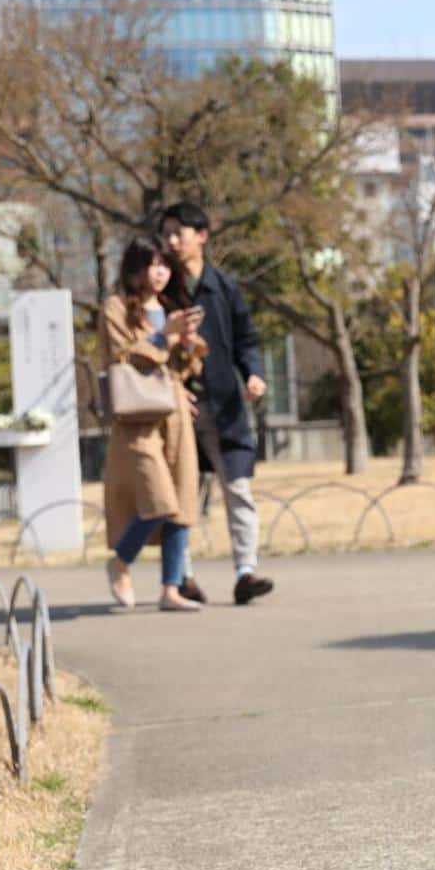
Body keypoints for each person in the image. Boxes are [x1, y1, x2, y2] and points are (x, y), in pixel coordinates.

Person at [159, 203, 276, 607]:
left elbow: (247, 339)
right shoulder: (161, 290)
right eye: (168, 234)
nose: (173, 241)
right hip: (178, 411)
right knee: (182, 494)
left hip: (226, 408)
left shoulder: (224, 288)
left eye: (180, 232)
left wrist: (254, 374)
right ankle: (182, 578)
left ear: (202, 235)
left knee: (238, 487)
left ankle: (246, 571)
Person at [101, 235, 205, 612]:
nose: (159, 273)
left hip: (175, 412)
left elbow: (185, 368)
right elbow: (124, 355)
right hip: (137, 419)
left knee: (182, 504)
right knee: (159, 500)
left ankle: (171, 589)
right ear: (135, 268)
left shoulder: (170, 307)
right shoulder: (115, 308)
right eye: (151, 264)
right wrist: (165, 336)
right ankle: (121, 561)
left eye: (164, 265)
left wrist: (190, 344)